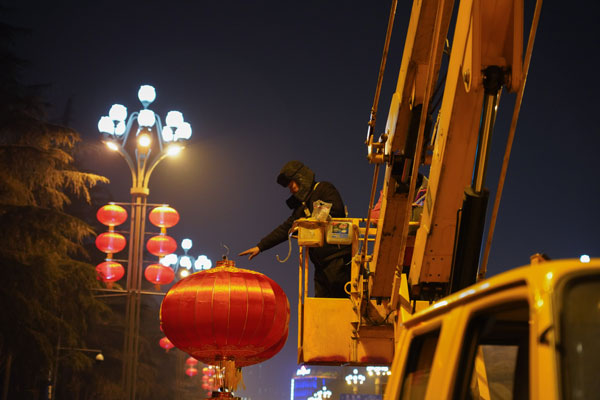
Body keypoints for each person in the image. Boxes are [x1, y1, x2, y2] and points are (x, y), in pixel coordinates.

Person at [239, 160, 352, 298]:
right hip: (320, 266)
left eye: (291, 183)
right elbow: (285, 228)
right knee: (320, 306)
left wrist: (311, 220)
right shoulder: (300, 209)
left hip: (338, 259)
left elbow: (337, 210)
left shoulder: (323, 188)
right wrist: (260, 246)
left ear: (301, 178)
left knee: (345, 301)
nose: (290, 189)